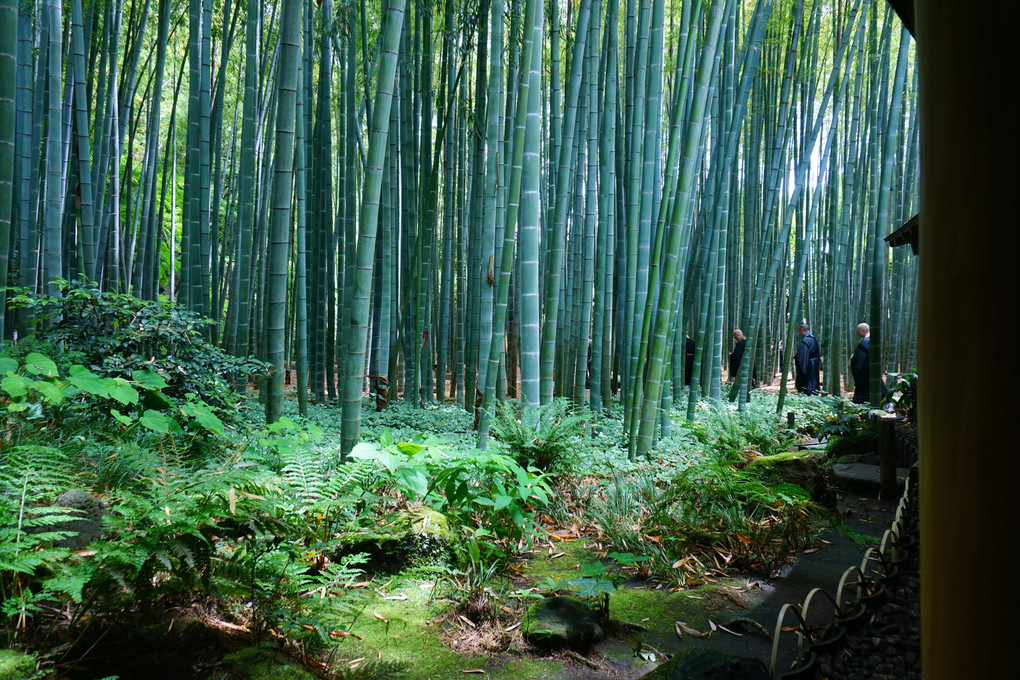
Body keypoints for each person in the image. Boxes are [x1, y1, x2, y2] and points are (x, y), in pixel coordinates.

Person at [849, 322, 886, 404]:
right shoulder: (872, 341)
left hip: (865, 374)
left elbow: (860, 360)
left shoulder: (865, 343)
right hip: (871, 373)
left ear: (863, 331)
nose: (857, 333)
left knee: (865, 393)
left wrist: (857, 371)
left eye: (858, 331)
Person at [794, 322, 821, 395]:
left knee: (807, 385)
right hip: (814, 365)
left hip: (807, 366)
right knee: (814, 382)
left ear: (802, 330)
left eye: (799, 331)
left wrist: (797, 357)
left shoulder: (805, 341)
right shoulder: (814, 340)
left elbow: (803, 357)